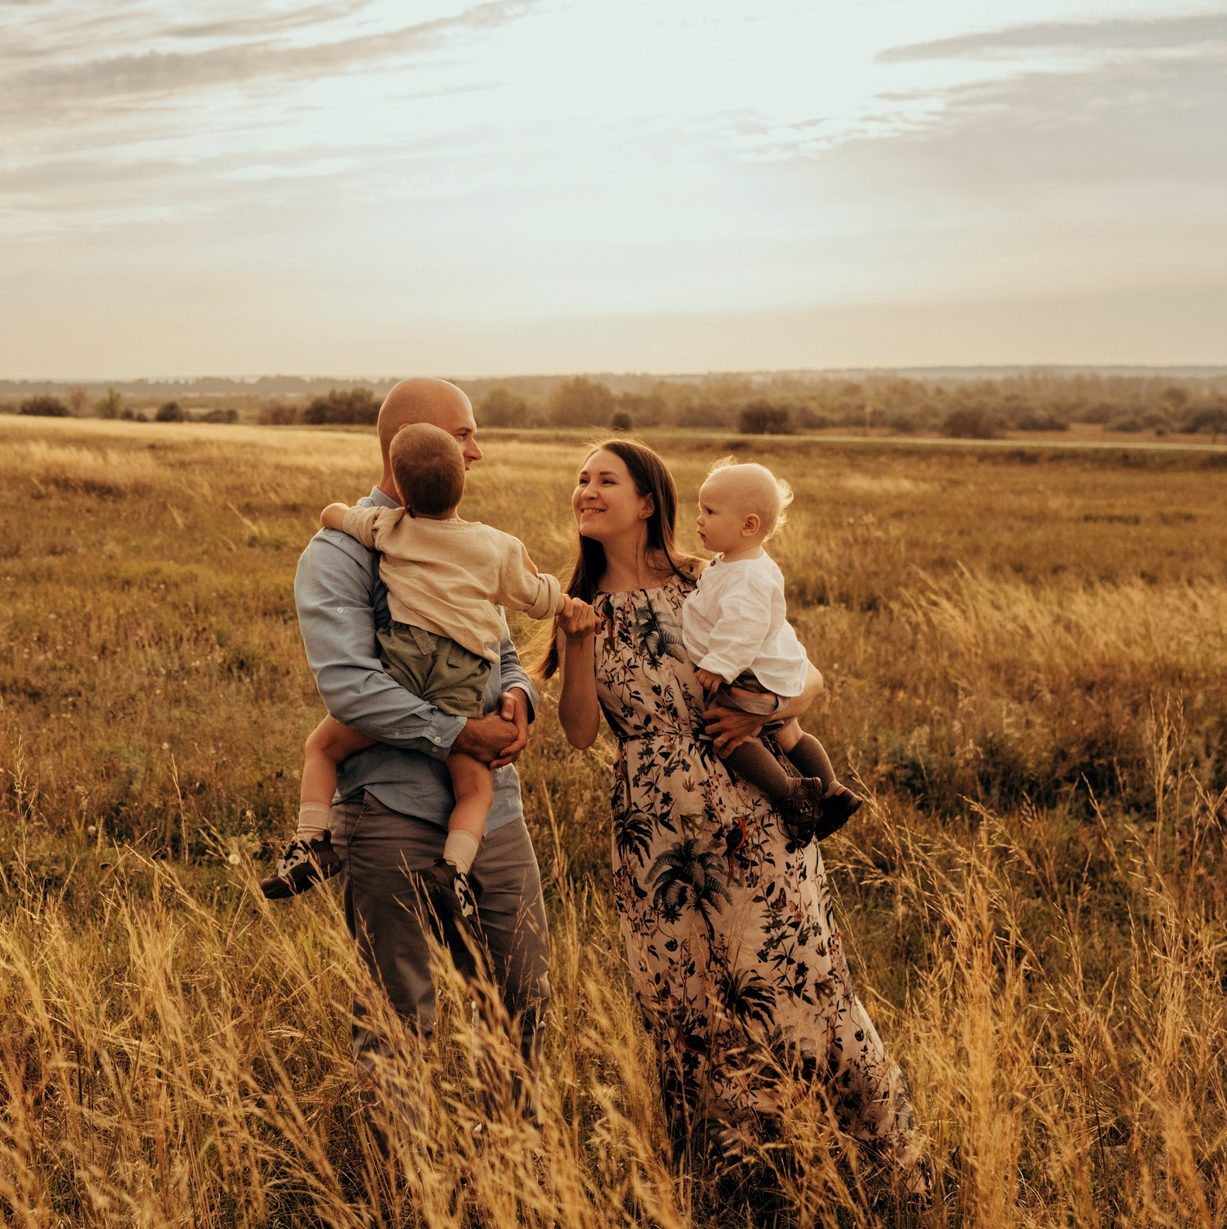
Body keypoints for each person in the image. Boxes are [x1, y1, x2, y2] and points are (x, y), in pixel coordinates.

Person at [550, 439, 917, 1167]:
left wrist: (759, 715)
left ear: (648, 500)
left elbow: (808, 679)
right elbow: (581, 732)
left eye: (605, 479)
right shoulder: (582, 607)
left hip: (750, 810)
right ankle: (734, 1171)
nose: (586, 491)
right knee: (683, 999)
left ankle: (879, 1154)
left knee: (794, 976)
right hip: (654, 833)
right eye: (581, 479)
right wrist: (576, 642)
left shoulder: (712, 577)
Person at [291, 377, 564, 1123]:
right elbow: (351, 688)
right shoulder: (340, 553)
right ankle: (405, 1190)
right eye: (467, 434)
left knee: (522, 995)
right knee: (399, 1014)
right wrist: (458, 732)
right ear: (419, 437)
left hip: (491, 814)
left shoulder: (465, 543)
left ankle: (515, 1173)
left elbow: (500, 646)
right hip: (389, 812)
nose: (479, 451)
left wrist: (520, 699)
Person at [262, 421, 580, 906]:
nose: (477, 449)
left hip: (404, 667)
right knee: (474, 787)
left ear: (401, 487)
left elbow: (337, 516)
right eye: (465, 436)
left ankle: (310, 841)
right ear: (462, 480)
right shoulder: (495, 546)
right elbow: (536, 598)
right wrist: (566, 603)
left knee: (322, 747)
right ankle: (453, 870)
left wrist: (336, 511)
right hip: (462, 677)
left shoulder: (390, 528)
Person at [675, 459, 860, 846]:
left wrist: (719, 665)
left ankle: (792, 795)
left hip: (748, 675)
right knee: (789, 733)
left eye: (709, 512)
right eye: (700, 509)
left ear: (748, 525)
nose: (699, 520)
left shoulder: (746, 576)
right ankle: (834, 792)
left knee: (729, 738)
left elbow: (742, 628)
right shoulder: (738, 562)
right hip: (769, 669)